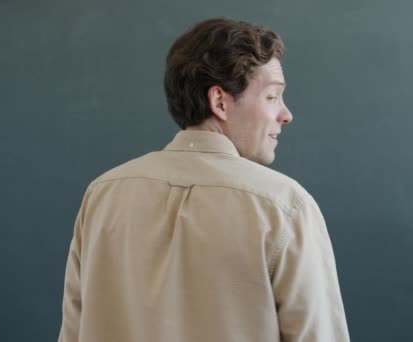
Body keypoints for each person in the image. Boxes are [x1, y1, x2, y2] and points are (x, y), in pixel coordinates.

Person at [59, 17, 350, 342]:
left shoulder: (102, 194)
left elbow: (73, 332)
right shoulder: (284, 207)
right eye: (272, 96)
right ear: (220, 102)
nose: (286, 114)